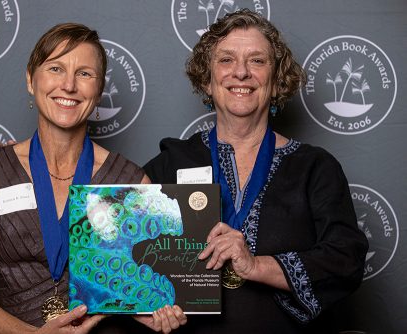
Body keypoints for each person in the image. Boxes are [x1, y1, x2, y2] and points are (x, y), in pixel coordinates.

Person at [0, 23, 186, 334]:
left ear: (98, 90)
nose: (68, 85)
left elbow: (138, 285)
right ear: (31, 79)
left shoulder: (130, 182)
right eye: (55, 68)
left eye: (84, 73)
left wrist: (149, 309)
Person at [143, 9, 368, 333]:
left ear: (276, 81)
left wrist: (255, 266)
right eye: (226, 60)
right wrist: (148, 311)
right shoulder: (172, 163)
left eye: (257, 61)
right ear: (207, 79)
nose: (241, 73)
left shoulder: (314, 168)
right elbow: (124, 246)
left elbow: (345, 260)